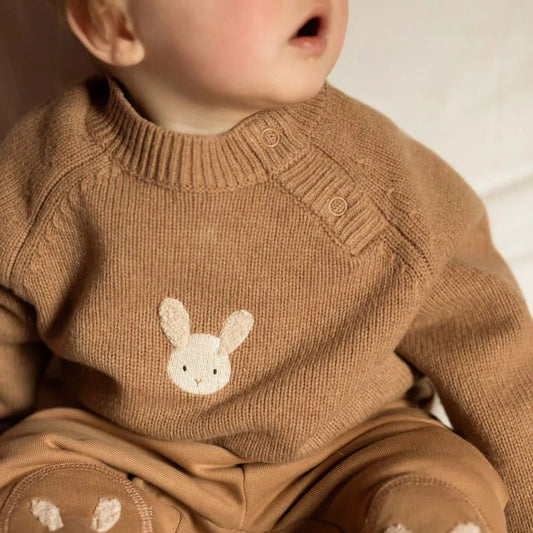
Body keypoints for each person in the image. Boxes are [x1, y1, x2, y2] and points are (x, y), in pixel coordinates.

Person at [0, 0, 531, 532]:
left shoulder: (376, 175)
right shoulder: (47, 172)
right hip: (121, 450)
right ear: (113, 25)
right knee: (44, 489)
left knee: (435, 490)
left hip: (351, 452)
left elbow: (488, 341)